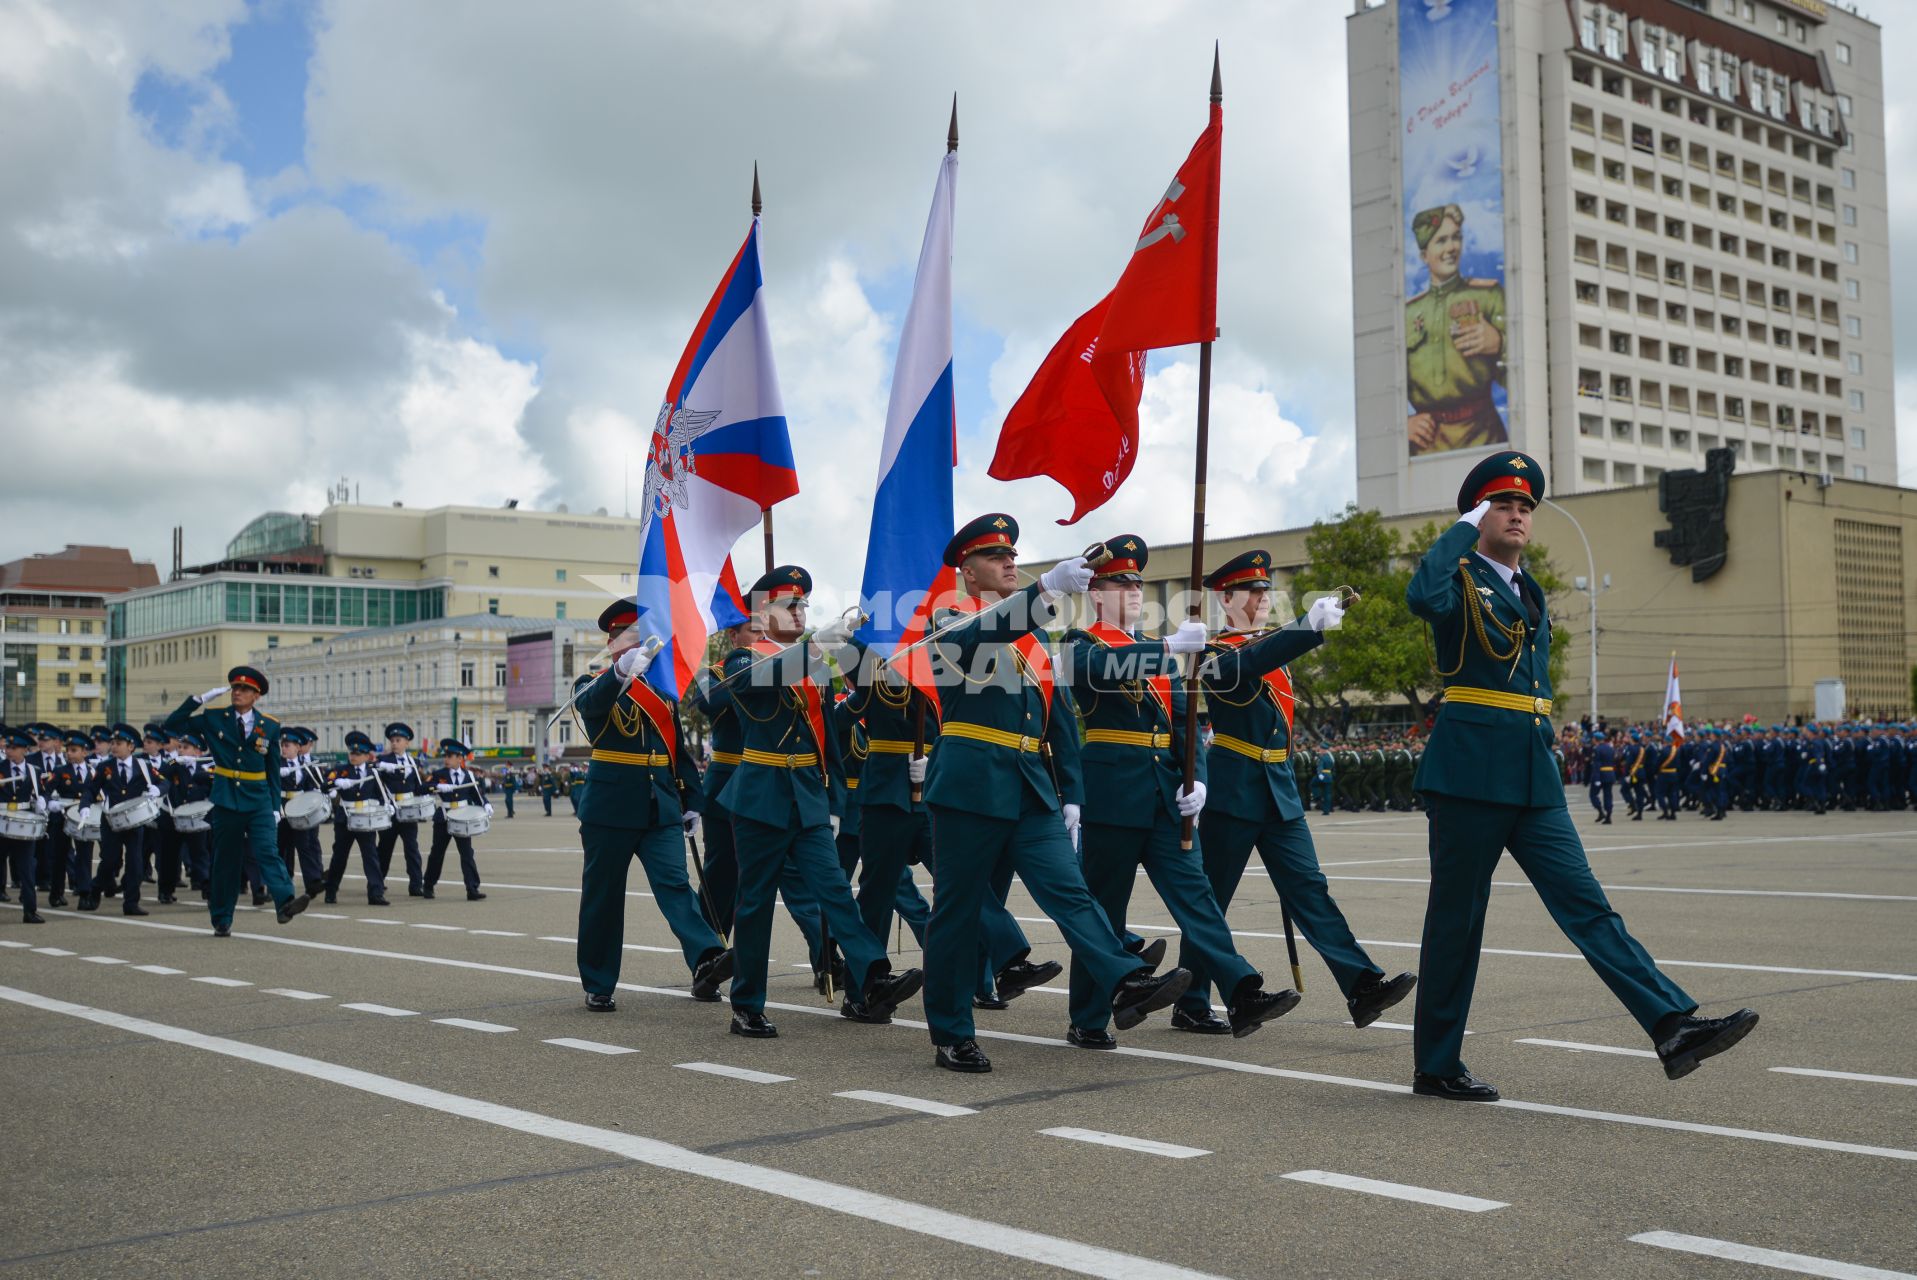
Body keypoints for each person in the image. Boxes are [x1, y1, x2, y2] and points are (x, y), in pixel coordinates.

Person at [1405, 451, 1757, 1100]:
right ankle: (1436, 1063)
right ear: (1478, 513)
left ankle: (1671, 1025)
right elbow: (1417, 596)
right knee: (1457, 922)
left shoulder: (1528, 590)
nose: (1515, 514)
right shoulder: (1455, 579)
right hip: (1467, 774)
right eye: (1501, 505)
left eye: (1523, 507)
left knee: (1587, 906)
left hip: (1529, 775)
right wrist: (1461, 527)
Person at [917, 516, 1192, 1073]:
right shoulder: (949, 621)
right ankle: (951, 1031)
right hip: (971, 783)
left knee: (1070, 892)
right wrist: (1043, 590)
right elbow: (983, 637)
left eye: (1013, 554)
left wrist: (1070, 789)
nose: (1010, 562)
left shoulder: (1036, 636)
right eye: (996, 557)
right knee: (958, 912)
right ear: (968, 574)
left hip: (1030, 784)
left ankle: (1124, 981)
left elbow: (1058, 714)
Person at [1061, 536, 1300, 1048]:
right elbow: (1096, 673)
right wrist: (1170, 648)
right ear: (1097, 594)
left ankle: (1241, 991)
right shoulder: (1082, 642)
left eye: (1136, 583)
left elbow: (1186, 724)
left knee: (1198, 899)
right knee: (1105, 906)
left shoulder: (1167, 651)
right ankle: (1087, 1015)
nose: (1131, 591)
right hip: (1113, 791)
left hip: (1165, 793)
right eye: (1120, 583)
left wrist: (1199, 777)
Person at [1178, 548, 1414, 1034]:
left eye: (1266, 589)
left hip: (1277, 788)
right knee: (1212, 898)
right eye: (1252, 590)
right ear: (1226, 598)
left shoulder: (1270, 645)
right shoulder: (1215, 654)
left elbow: (1269, 654)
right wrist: (1307, 628)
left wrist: (1302, 629)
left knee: (1310, 890)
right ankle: (1193, 1000)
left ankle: (1361, 985)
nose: (1262, 597)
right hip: (1235, 785)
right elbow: (1249, 664)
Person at [701, 568, 924, 1037]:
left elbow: (831, 734)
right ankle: (748, 1004)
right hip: (761, 794)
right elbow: (749, 683)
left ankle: (872, 976)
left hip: (809, 795)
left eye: (803, 605)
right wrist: (813, 650)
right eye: (789, 604)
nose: (800, 612)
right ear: (763, 612)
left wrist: (837, 799)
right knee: (755, 902)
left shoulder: (815, 662)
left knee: (836, 893)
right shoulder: (745, 657)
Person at [570, 598, 735, 1012]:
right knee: (603, 897)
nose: (636, 647)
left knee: (676, 886)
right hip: (610, 807)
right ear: (612, 645)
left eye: (640, 640)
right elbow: (590, 708)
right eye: (626, 640)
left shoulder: (661, 691)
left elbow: (676, 750)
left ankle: (707, 959)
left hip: (658, 805)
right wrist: (621, 674)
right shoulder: (591, 683)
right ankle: (599, 981)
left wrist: (691, 799)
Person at [162, 666, 311, 937]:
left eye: (244, 689)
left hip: (259, 799)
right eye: (235, 688)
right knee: (226, 861)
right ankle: (221, 917)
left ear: (256, 695)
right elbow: (171, 726)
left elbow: (271, 768)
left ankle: (285, 903)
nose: (237, 692)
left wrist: (276, 806)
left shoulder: (270, 725)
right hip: (227, 798)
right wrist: (199, 700)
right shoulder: (214, 718)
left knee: (267, 851)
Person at [1404, 204, 1508, 457]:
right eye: (1441, 241)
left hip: (1483, 437)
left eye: (1456, 238)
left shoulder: (1488, 296)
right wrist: (1401, 425)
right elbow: (1384, 387)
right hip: (1426, 446)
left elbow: (1526, 380)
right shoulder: (1407, 313)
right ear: (1423, 255)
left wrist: (1501, 343)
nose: (1452, 248)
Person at [81, 724, 161, 916]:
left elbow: (163, 781)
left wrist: (158, 790)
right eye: (113, 743)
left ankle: (131, 903)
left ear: (131, 746)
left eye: (119, 743)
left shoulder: (143, 766)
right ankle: (95, 888)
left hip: (135, 821)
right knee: (109, 861)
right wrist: (84, 806)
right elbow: (90, 789)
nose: (114, 747)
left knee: (135, 863)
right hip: (111, 821)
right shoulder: (104, 767)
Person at [324, 733, 391, 906]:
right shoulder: (340, 770)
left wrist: (386, 806)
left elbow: (381, 794)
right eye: (351, 753)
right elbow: (325, 785)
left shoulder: (373, 773)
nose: (353, 756)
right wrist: (338, 783)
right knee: (339, 856)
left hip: (365, 818)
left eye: (358, 754)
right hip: (345, 818)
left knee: (371, 856)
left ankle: (376, 892)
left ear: (367, 755)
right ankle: (331, 890)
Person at [424, 740, 490, 902]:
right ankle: (428, 885)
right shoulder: (439, 774)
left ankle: (472, 888)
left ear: (460, 758)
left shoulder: (468, 775)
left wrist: (486, 803)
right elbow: (422, 788)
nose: (446, 759)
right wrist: (437, 787)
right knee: (437, 854)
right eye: (445, 756)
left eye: (450, 756)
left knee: (467, 854)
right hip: (444, 817)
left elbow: (476, 793)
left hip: (462, 817)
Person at [375, 724, 430, 896]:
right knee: (384, 849)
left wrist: (429, 792)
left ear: (407, 742)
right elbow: (374, 776)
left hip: (408, 812)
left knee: (412, 849)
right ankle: (377, 882)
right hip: (391, 812)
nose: (394, 744)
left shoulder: (413, 762)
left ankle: (415, 884)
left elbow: (418, 786)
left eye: (398, 740)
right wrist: (381, 767)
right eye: (392, 741)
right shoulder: (384, 761)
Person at [1, 727, 48, 923]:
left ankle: (30, 910)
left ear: (24, 750)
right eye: (8, 746)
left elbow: (42, 792)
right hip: (2, 822)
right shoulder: (1, 769)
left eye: (14, 747)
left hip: (24, 824)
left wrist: (42, 801)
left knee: (27, 869)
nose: (9, 750)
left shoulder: (34, 771)